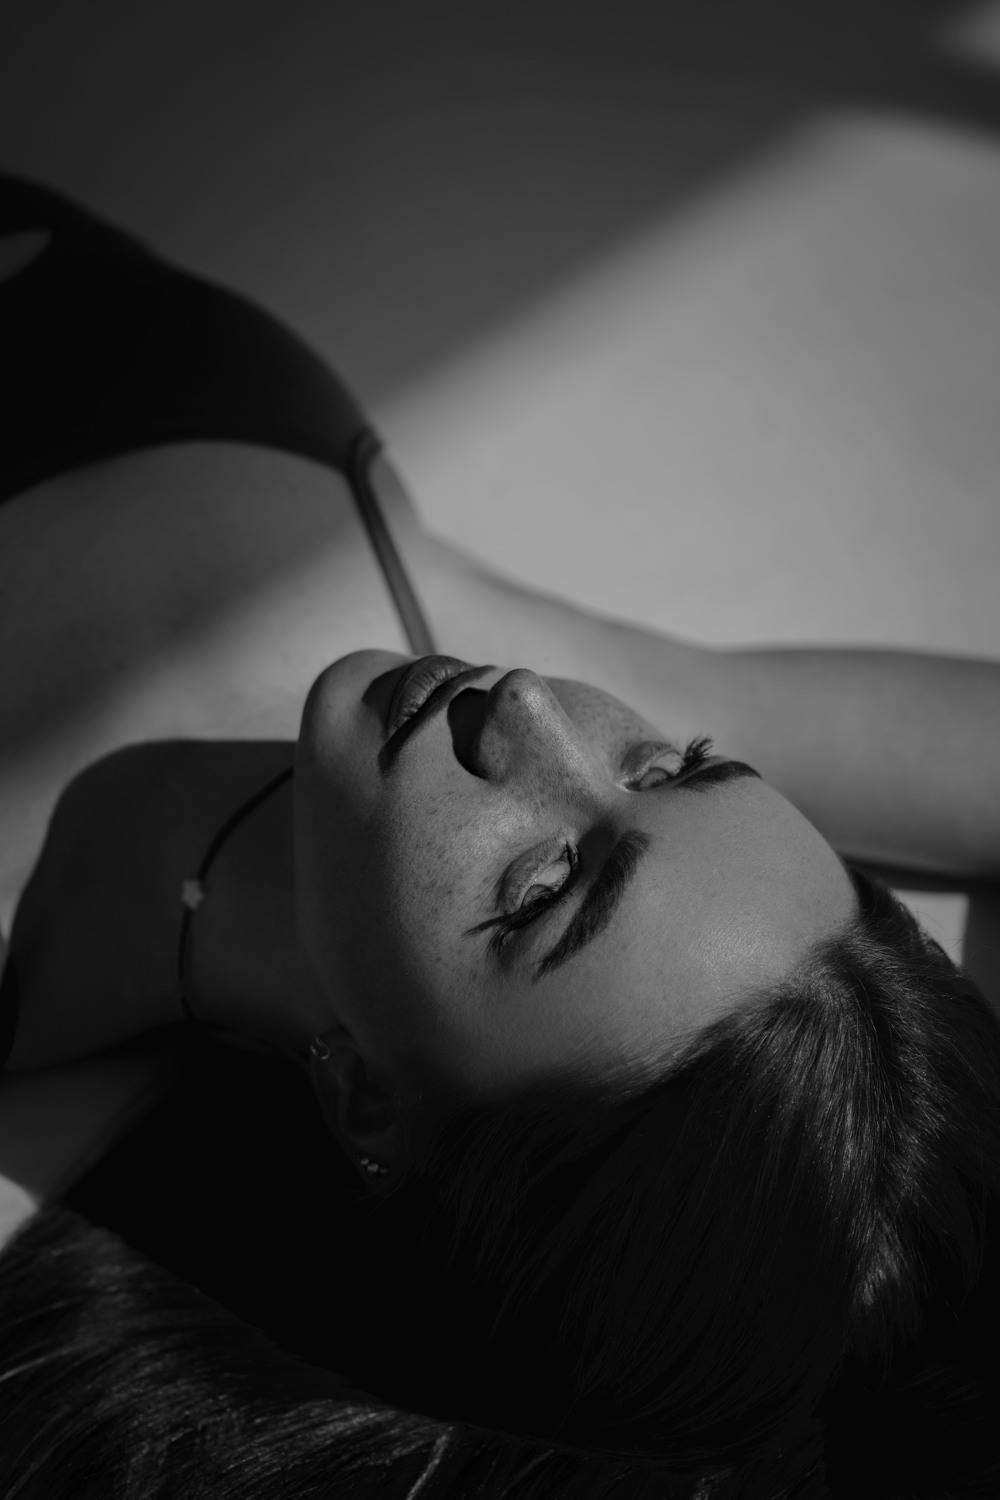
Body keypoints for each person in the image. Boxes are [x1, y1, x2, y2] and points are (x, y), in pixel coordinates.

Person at [2, 172, 1000, 1497]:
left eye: (542, 884)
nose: (529, 708)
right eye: (678, 764)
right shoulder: (501, 685)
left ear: (370, 1099)